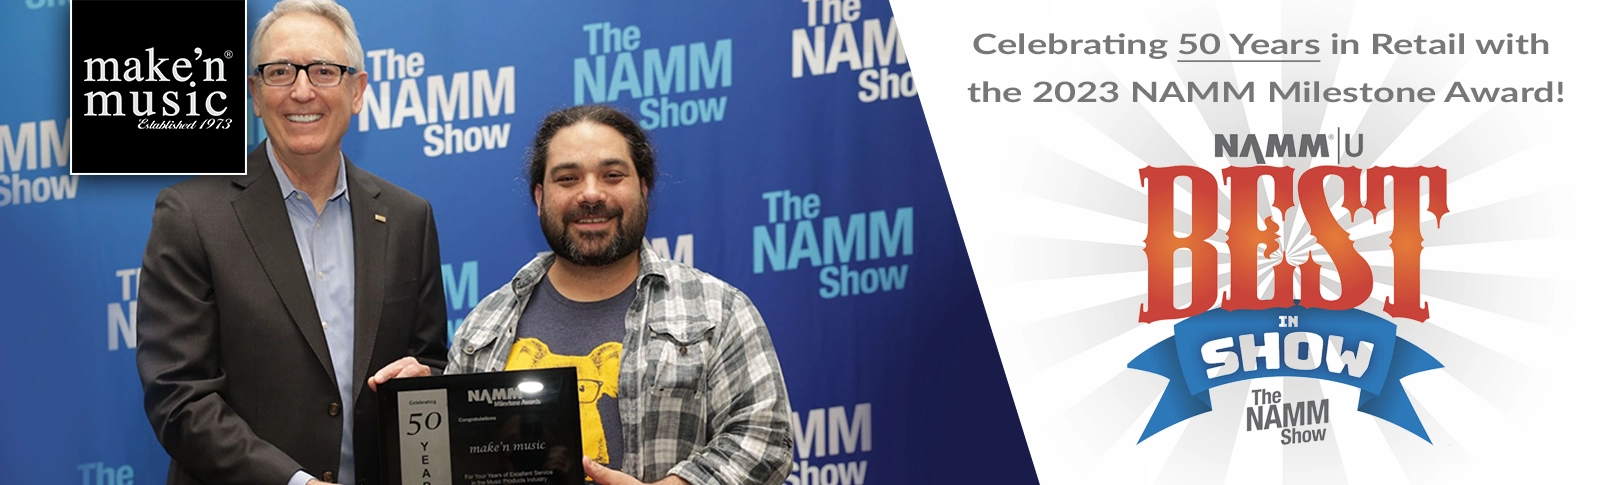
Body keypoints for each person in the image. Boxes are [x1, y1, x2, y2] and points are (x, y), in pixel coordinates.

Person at [135, 1, 446, 484]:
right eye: (280, 72)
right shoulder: (191, 216)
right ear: (255, 94)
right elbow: (179, 398)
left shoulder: (409, 218)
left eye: (324, 71)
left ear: (357, 90)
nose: (302, 91)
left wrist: (423, 384)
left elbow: (431, 365)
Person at [447, 105, 794, 485]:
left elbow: (766, 439)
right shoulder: (485, 324)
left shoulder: (718, 310)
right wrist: (414, 402)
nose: (591, 194)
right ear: (540, 197)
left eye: (612, 175)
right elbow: (454, 457)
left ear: (643, 187)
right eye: (568, 179)